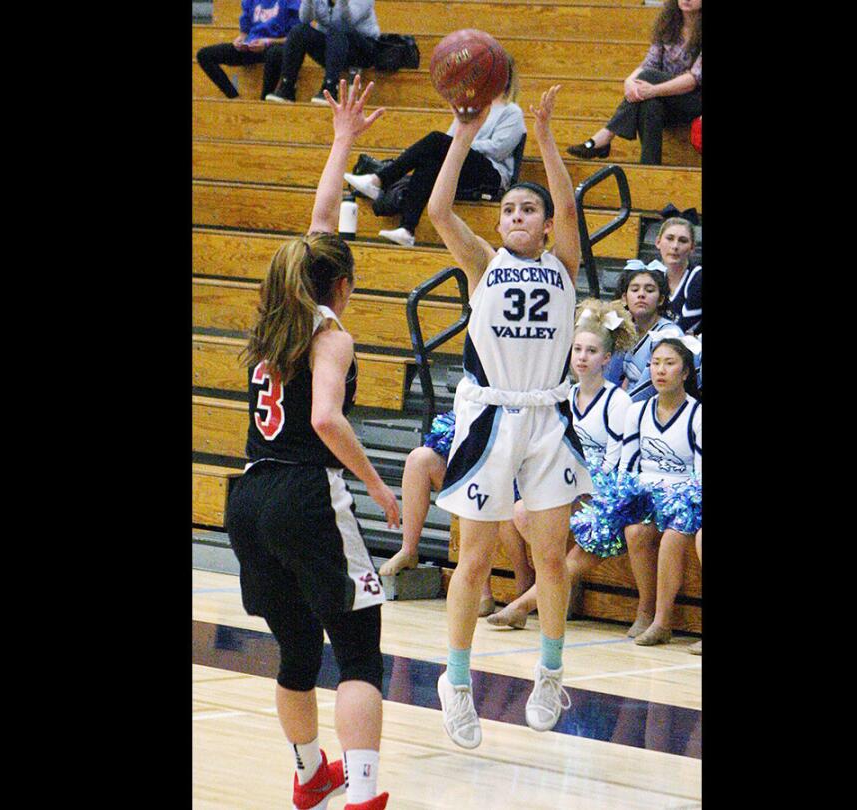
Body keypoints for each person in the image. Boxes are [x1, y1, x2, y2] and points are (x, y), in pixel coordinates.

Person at [223, 76, 396, 810]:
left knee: (297, 649)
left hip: (250, 494)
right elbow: (327, 420)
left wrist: (341, 143)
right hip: (304, 491)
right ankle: (362, 795)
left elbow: (316, 234)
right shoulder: (332, 332)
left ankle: (308, 774)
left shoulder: (276, 318)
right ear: (345, 285)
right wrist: (380, 486)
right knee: (359, 651)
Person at [426, 84, 588, 748]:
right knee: (476, 558)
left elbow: (571, 205)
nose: (518, 214)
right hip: (490, 414)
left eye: (530, 209)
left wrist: (545, 134)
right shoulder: (483, 264)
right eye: (510, 208)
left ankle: (550, 672)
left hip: (548, 415)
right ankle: (456, 681)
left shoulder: (565, 263)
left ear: (546, 224)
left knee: (551, 558)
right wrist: (464, 133)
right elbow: (438, 208)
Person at [485, 299, 637, 630]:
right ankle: (556, 591)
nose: (582, 357)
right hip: (567, 486)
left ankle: (523, 605)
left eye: (592, 351)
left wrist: (584, 487)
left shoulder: (619, 401)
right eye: (578, 349)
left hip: (608, 494)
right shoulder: (562, 396)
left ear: (607, 358)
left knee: (594, 526)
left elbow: (618, 460)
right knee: (521, 511)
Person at [342, 57, 526, 247]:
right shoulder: (472, 105)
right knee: (430, 161)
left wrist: (463, 143)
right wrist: (457, 144)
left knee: (436, 141)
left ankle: (379, 179)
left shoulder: (511, 111)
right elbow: (447, 142)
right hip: (463, 166)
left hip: (493, 176)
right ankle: (407, 229)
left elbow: (499, 149)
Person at [381, 412, 536, 616]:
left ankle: (523, 581)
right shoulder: (472, 388)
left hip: (516, 475)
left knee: (496, 494)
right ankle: (409, 550)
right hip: (475, 466)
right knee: (419, 459)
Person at [616, 338, 702, 646]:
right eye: (655, 363)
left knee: (673, 537)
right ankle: (645, 608)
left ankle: (663, 622)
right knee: (636, 532)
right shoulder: (637, 412)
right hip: (647, 495)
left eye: (670, 363)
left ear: (686, 373)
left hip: (687, 498)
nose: (660, 370)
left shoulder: (697, 414)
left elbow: (700, 475)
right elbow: (627, 466)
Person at [566, 0, 701, 165]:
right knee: (650, 104)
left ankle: (606, 135)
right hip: (667, 99)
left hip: (695, 101)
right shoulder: (668, 25)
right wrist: (630, 81)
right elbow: (649, 64)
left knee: (649, 82)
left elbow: (693, 80)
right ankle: (649, 167)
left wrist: (653, 89)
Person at [266, 0, 380, 105]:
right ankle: (287, 87)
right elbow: (305, 19)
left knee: (337, 28)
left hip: (362, 49)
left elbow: (347, 21)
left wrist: (342, 2)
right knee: (299, 31)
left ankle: (330, 87)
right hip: (334, 47)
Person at [195, 0, 301, 100]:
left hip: (274, 45)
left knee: (275, 53)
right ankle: (234, 98)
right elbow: (244, 32)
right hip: (251, 45)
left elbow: (295, 37)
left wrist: (268, 41)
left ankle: (265, 99)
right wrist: (240, 41)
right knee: (204, 55)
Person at [613, 266, 688, 401]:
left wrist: (614, 409)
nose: (641, 294)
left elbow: (648, 390)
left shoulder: (669, 334)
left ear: (661, 299)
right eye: (635, 290)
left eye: (649, 290)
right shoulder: (623, 330)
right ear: (624, 299)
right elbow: (608, 379)